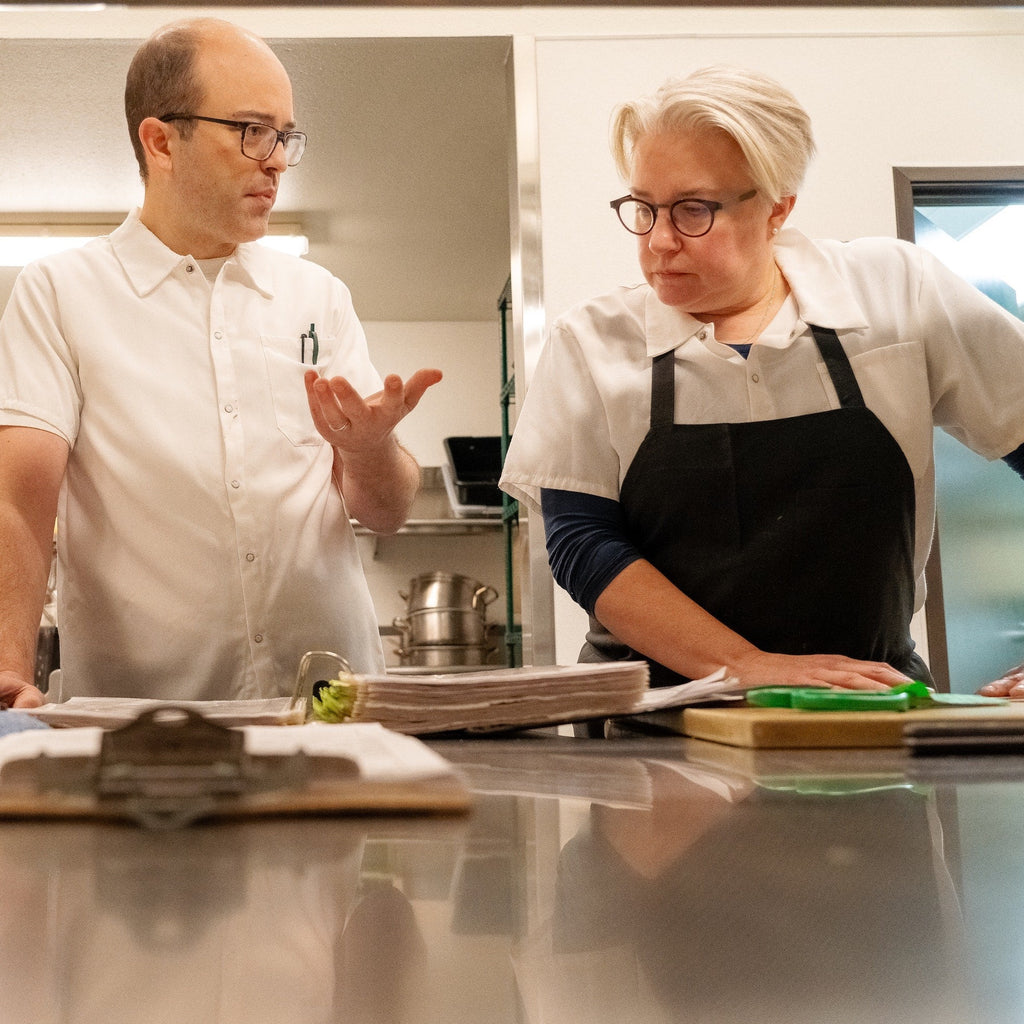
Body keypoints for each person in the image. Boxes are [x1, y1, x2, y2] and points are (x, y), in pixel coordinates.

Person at [500, 65, 1024, 696]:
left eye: (693, 210)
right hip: (654, 723)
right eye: (643, 208)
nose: (659, 241)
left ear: (778, 209)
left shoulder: (897, 294)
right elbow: (581, 541)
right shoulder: (591, 340)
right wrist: (744, 666)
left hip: (862, 706)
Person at [0, 18, 441, 709]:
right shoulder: (61, 293)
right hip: (143, 720)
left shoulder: (317, 296)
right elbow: (20, 503)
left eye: (285, 136)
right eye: (251, 131)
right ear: (160, 140)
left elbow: (384, 511)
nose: (277, 161)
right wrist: (9, 672)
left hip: (331, 708)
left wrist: (370, 447)